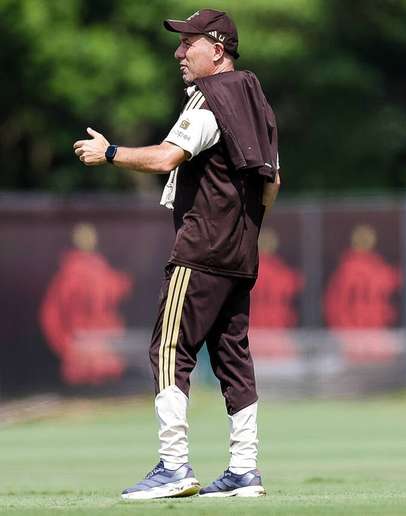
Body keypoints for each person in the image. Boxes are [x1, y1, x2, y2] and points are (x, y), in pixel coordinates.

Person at [73, 8, 280, 499]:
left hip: (202, 247)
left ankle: (173, 466)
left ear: (218, 47)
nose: (179, 53)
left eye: (189, 44)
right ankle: (244, 471)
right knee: (233, 356)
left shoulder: (211, 98)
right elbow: (272, 183)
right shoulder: (257, 100)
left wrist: (111, 153)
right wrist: (245, 229)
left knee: (168, 349)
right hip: (241, 250)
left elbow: (168, 156)